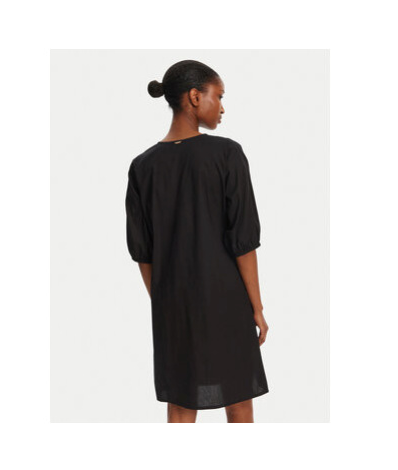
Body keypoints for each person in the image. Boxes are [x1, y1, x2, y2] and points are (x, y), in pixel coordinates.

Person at [125, 60, 269, 423]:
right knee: (239, 400)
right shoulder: (226, 153)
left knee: (180, 404)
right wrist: (256, 307)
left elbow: (142, 251)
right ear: (193, 97)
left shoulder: (142, 166)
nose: (222, 107)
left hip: (173, 306)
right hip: (227, 300)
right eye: (218, 96)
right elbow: (243, 240)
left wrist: (165, 301)